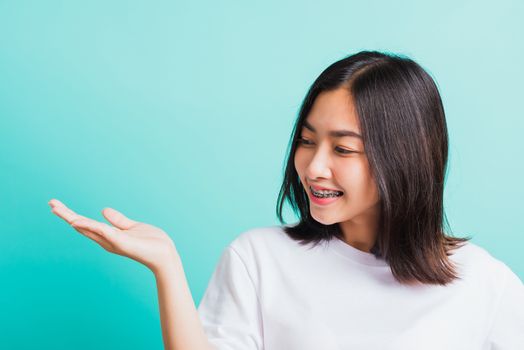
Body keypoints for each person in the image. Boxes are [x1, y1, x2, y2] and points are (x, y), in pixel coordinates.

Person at [49, 50, 524, 350]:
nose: (314, 167)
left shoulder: (485, 284)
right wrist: (167, 268)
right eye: (306, 140)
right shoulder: (258, 260)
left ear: (406, 157)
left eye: (343, 149)